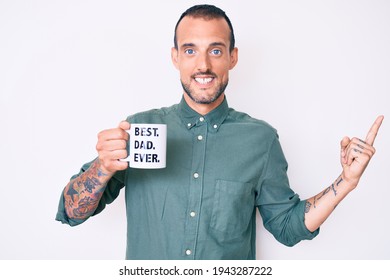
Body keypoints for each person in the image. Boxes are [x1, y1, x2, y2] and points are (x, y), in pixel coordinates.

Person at [56, 4, 384, 259]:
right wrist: (103, 167)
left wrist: (347, 182)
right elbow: (71, 212)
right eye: (190, 50)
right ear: (175, 58)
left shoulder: (261, 140)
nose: (203, 65)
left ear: (232, 57)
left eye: (215, 50)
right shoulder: (138, 129)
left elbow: (288, 227)